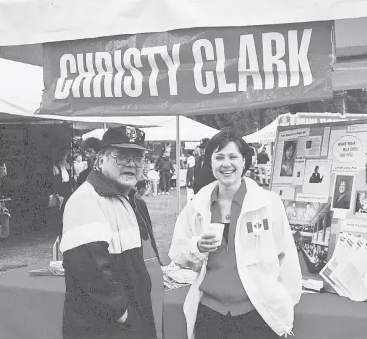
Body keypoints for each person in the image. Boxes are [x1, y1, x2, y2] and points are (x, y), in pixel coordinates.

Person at [168, 128, 302, 339]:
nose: (226, 164)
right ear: (210, 162)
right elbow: (178, 254)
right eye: (219, 157)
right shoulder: (198, 205)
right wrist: (197, 248)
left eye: (233, 157)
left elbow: (286, 254)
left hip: (256, 311)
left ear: (244, 161)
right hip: (211, 312)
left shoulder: (267, 203)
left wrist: (286, 300)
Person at [60, 125, 162, 339]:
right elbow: (92, 273)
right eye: (121, 156)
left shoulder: (131, 199)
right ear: (100, 160)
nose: (131, 164)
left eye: (137, 157)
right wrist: (125, 316)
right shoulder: (86, 200)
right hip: (105, 328)